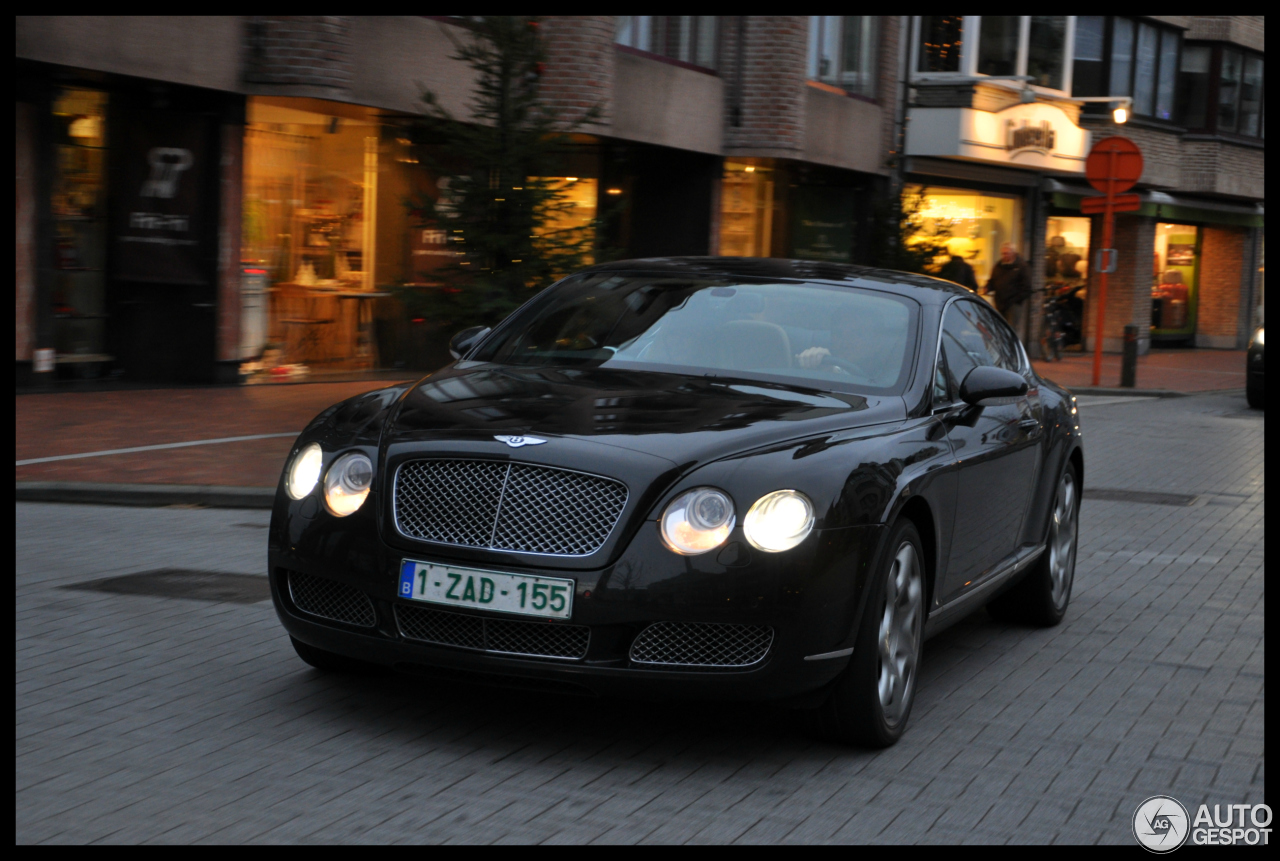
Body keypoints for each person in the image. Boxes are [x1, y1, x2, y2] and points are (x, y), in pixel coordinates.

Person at [986, 242, 1032, 331]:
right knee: (998, 329)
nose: (1004, 256)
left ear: (1013, 253)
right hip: (1000, 303)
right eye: (1003, 253)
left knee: (1010, 330)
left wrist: (1016, 300)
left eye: (1006, 253)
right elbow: (993, 280)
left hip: (1013, 305)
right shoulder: (998, 265)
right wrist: (988, 287)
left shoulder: (1021, 266)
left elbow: (1026, 287)